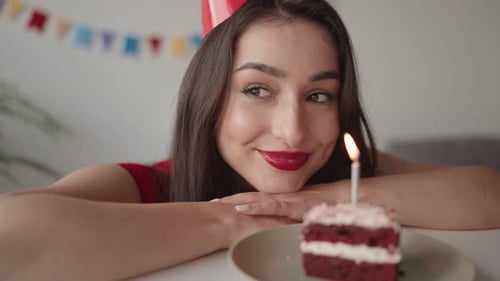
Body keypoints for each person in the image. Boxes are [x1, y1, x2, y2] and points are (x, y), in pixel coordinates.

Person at [1, 0, 500, 280]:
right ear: (211, 97)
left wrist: (312, 205)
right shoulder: (147, 183)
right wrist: (232, 219)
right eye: (258, 89)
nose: (293, 130)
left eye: (320, 96)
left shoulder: (345, 174)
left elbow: (488, 194)